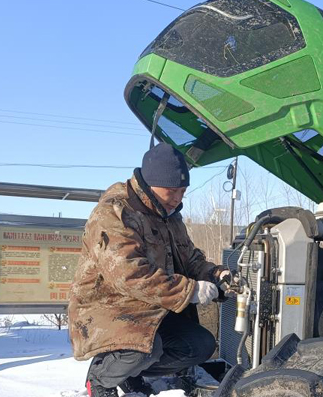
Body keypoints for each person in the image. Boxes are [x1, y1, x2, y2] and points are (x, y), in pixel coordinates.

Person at [68, 143, 231, 397]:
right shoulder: (115, 213)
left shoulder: (169, 216)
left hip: (150, 309)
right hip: (107, 309)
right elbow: (129, 274)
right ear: (151, 184)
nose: (178, 198)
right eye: (172, 191)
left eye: (183, 191)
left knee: (200, 345)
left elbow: (190, 258)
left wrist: (215, 275)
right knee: (144, 347)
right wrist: (189, 290)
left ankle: (130, 374)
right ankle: (101, 378)